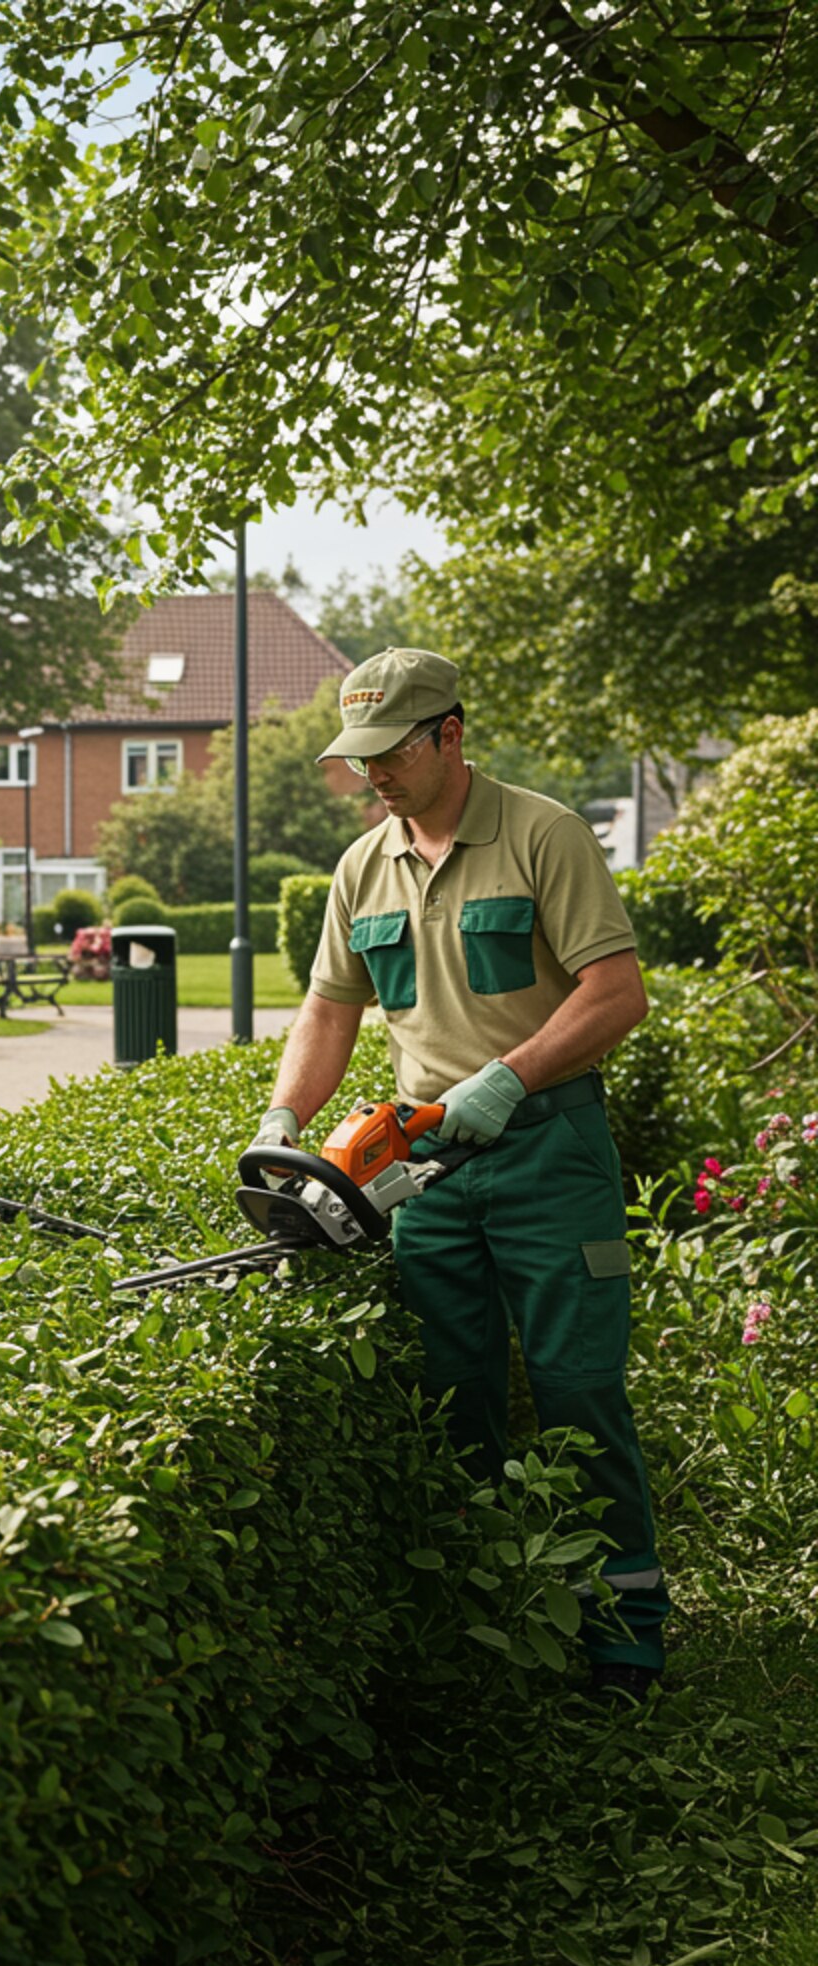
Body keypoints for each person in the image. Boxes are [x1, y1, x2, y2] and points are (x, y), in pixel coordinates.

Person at [254, 647, 667, 1698]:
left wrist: (503, 1079)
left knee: (577, 1389)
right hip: (420, 1166)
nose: (370, 776)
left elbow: (614, 993)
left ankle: (624, 1635)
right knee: (454, 1395)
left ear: (447, 733)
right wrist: (282, 1116)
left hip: (545, 1146)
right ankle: (490, 1623)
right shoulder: (361, 866)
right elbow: (328, 1010)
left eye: (388, 753)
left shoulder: (541, 832)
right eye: (357, 760)